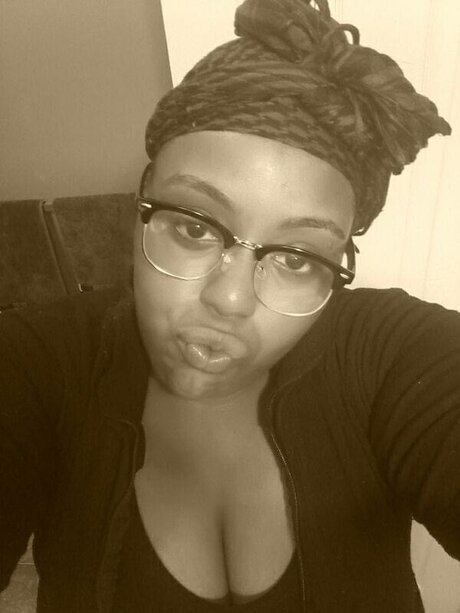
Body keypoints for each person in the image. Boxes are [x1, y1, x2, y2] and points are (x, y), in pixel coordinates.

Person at [1, 0, 459, 611]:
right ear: (140, 205)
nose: (231, 299)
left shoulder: (393, 356)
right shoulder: (36, 362)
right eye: (195, 226)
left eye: (297, 257)